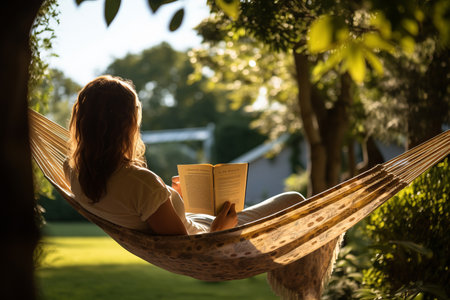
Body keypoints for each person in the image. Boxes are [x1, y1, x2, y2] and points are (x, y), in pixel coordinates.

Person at [64, 75, 305, 236]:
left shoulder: (72, 168)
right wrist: (220, 229)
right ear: (127, 125)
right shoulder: (140, 183)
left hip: (196, 221)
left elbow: (126, 203)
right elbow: (186, 252)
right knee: (293, 200)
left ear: (82, 121)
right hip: (212, 238)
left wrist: (169, 197)